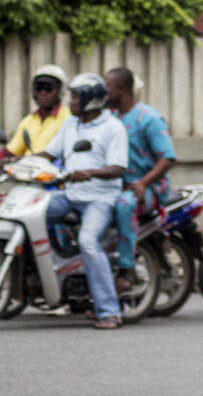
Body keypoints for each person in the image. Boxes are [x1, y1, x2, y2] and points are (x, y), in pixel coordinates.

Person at [41, 73, 128, 330]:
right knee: (29, 214)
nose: (71, 101)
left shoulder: (113, 128)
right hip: (69, 195)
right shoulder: (71, 124)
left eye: (76, 96)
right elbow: (49, 153)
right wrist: (17, 163)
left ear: (91, 99)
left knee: (88, 243)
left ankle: (109, 311)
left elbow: (118, 168)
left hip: (100, 199)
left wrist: (89, 173)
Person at [105, 67, 176, 293]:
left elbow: (167, 158)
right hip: (114, 185)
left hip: (148, 189)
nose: (103, 91)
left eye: (108, 86)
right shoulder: (107, 118)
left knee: (125, 205)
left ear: (123, 89)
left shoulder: (149, 118)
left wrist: (143, 183)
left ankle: (127, 269)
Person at [0, 65, 71, 160]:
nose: (43, 93)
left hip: (55, 172)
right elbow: (11, 152)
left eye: (49, 88)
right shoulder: (28, 121)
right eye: (39, 88)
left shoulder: (68, 118)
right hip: (27, 170)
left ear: (59, 91)